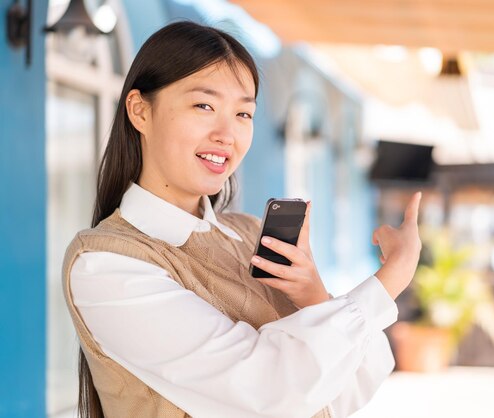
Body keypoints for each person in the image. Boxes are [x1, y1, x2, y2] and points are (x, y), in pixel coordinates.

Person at [63, 21, 422, 418]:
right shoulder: (106, 264)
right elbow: (269, 390)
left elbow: (349, 390)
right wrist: (391, 279)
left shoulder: (248, 233)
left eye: (243, 113)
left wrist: (314, 297)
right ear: (140, 111)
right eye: (204, 106)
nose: (227, 133)